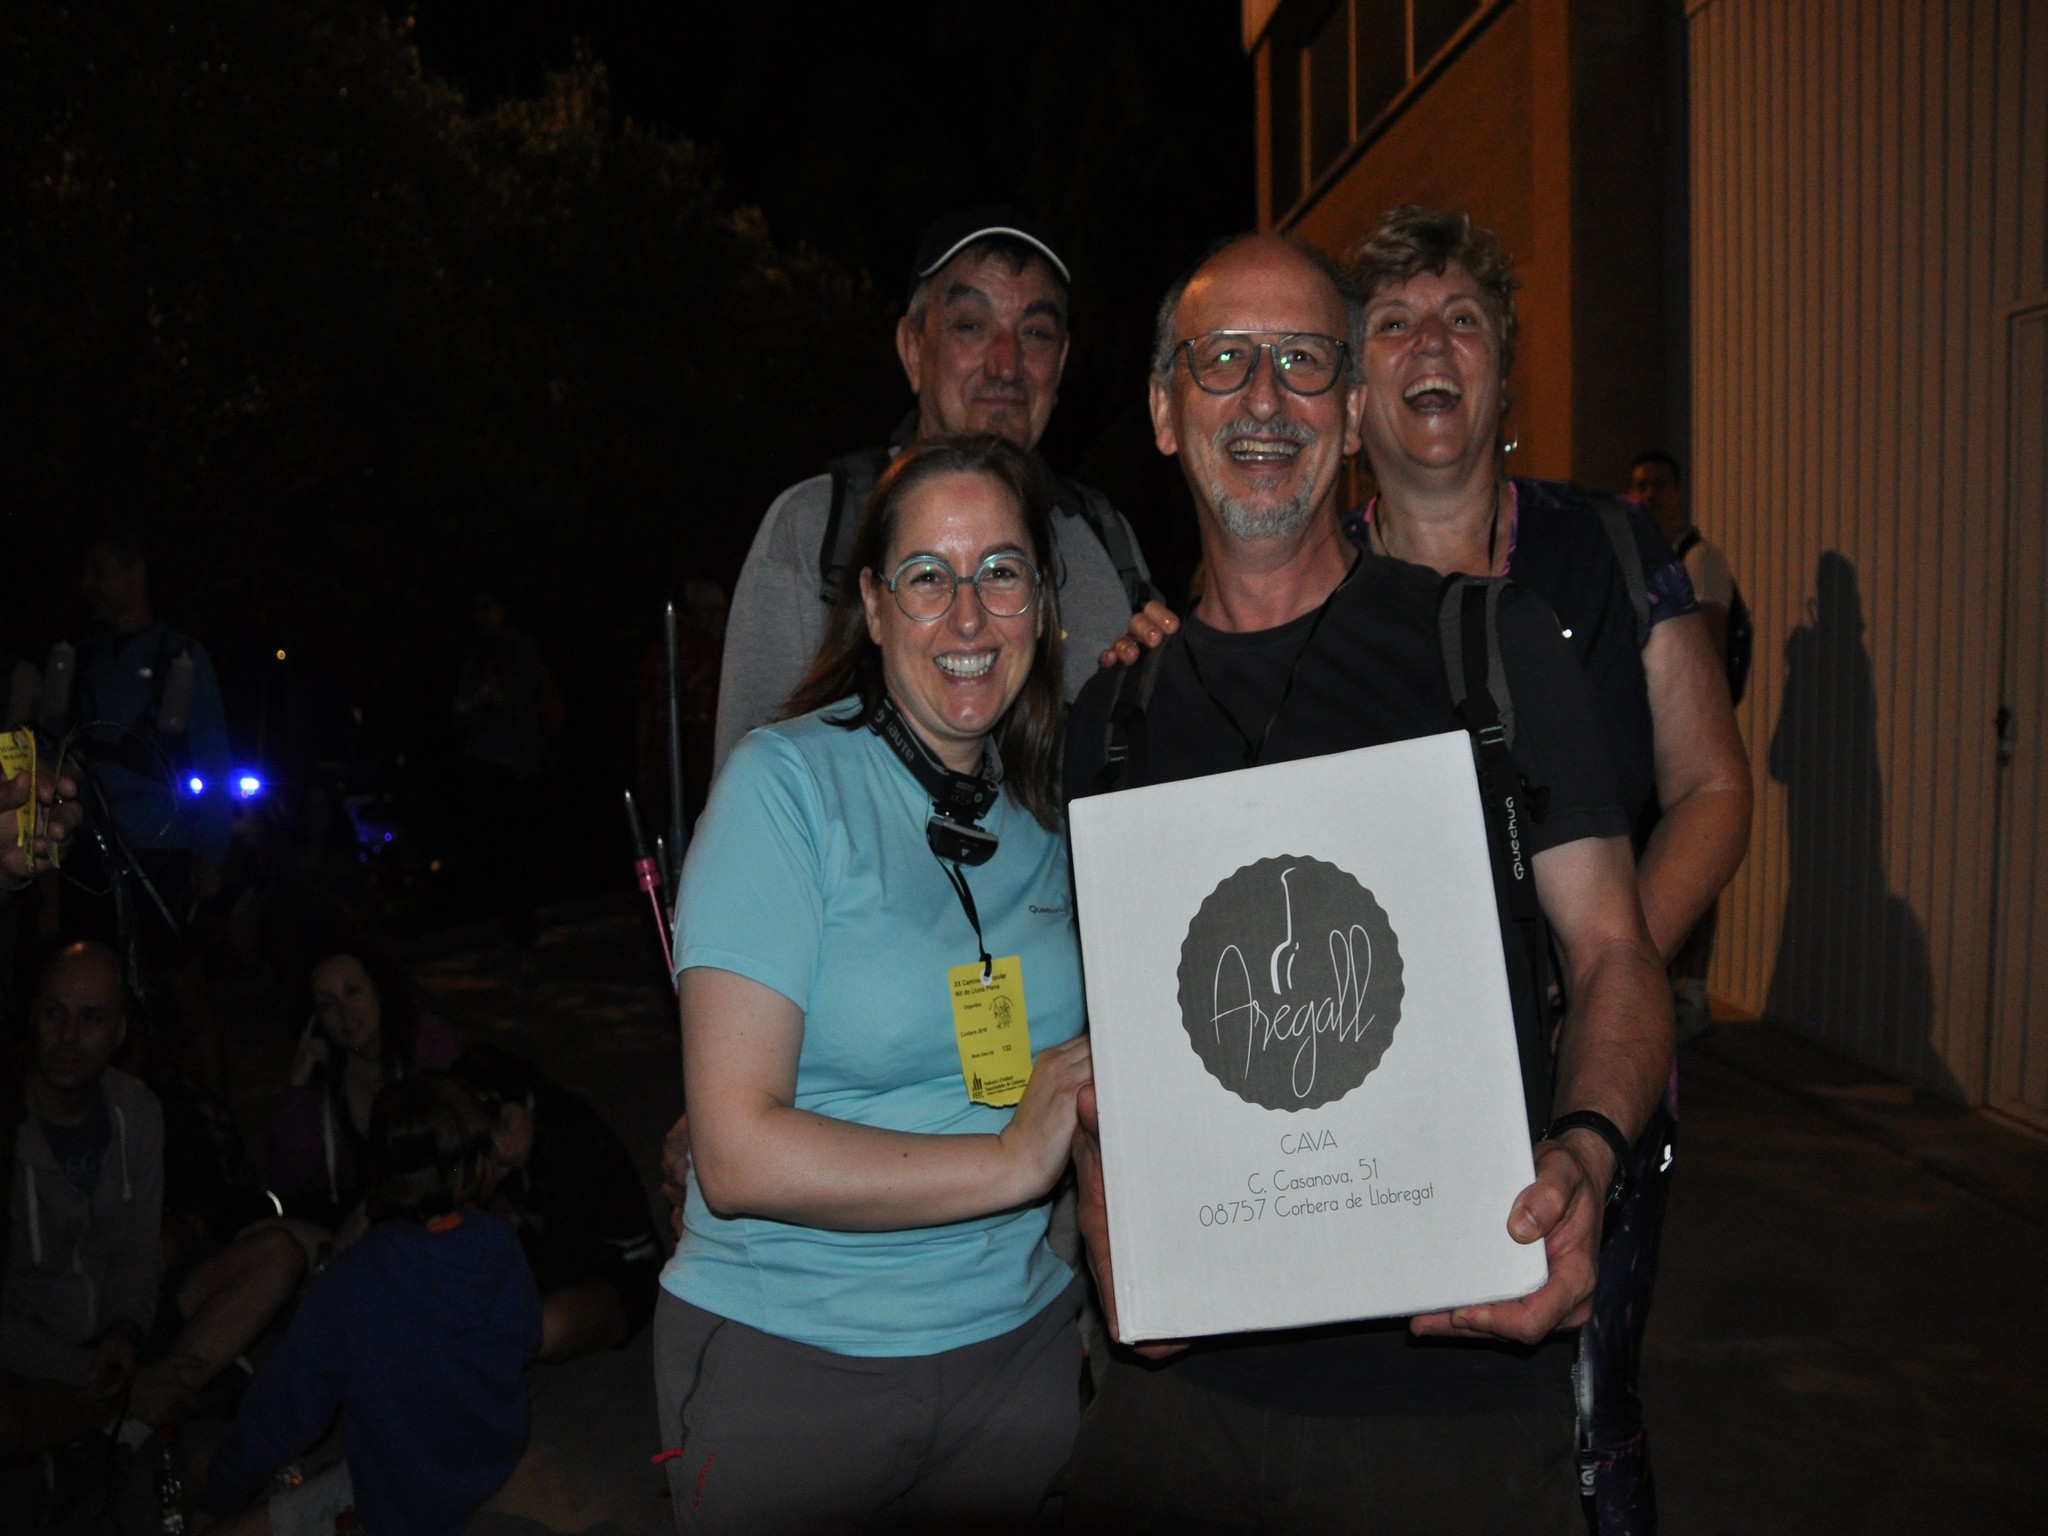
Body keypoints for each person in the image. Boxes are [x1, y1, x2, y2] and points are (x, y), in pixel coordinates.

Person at [1057, 234, 1673, 1535]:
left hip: (1447, 1400)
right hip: (1179, 1398)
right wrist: (1102, 1201)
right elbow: (1099, 1044)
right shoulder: (1108, 725)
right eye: (1222, 361)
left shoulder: (1485, 650)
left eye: (1303, 361)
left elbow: (1613, 954)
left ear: (1347, 414)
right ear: (1165, 412)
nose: (1263, 398)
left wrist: (1587, 1152)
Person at [657, 434, 1094, 1533]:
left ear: (1042, 603)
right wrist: (1009, 1160)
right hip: (798, 1359)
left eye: (1000, 572)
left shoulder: (1055, 814)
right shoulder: (784, 789)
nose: (967, 617)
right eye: (927, 577)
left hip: (1017, 1356)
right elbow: (735, 1154)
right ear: (873, 605)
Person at [713, 205, 1153, 776]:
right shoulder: (816, 530)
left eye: (1036, 333)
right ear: (913, 349)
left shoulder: (1105, 544)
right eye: (971, 326)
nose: (1007, 365)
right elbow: (745, 792)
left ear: (1062, 362)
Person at [197, 1072, 541, 1536]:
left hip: (409, 1496)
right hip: (493, 1457)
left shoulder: (352, 1282)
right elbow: (527, 1339)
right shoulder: (498, 1241)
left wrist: (220, 1493)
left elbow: (285, 1410)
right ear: (467, 1167)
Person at [45, 526, 233, 1091]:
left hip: (160, 852)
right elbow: (55, 754)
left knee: (181, 990)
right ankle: (108, 1119)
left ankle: (213, 1115)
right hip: (90, 856)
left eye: (98, 571)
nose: (88, 585)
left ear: (135, 571)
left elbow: (214, 757)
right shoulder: (83, 661)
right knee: (100, 993)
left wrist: (211, 852)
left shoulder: (181, 656)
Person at [3, 942, 164, 1404]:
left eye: (91, 1018)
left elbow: (139, 1251)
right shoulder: (8, 1123)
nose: (68, 1036)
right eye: (55, 1013)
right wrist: (84, 1370)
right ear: (32, 1016)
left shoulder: (137, 1110)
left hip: (115, 1329)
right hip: (29, 1352)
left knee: (273, 1256)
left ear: (119, 1032)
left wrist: (124, 1331)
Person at [451, 1043, 663, 1361]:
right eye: (486, 1138)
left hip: (621, 1269)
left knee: (543, 1328)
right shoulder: (500, 1152)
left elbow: (562, 1258)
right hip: (551, 1257)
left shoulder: (573, 1141)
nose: (500, 1149)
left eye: (506, 1126)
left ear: (529, 1100)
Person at [265, 941, 459, 1233]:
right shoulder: (323, 1079)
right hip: (355, 1228)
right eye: (327, 1004)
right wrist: (297, 1085)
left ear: (379, 990)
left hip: (429, 1214)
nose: (345, 1013)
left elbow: (451, 1148)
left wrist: (374, 1206)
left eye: (353, 992)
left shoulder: (425, 1043)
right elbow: (288, 1180)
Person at [453, 586, 551, 967]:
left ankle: (523, 935)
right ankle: (504, 932)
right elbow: (459, 709)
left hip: (516, 765)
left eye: (488, 606)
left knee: (518, 852)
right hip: (482, 763)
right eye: (478, 608)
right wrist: (482, 699)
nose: (483, 615)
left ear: (504, 609)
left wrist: (490, 700)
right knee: (491, 853)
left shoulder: (521, 646)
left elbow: (518, 699)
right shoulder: (476, 653)